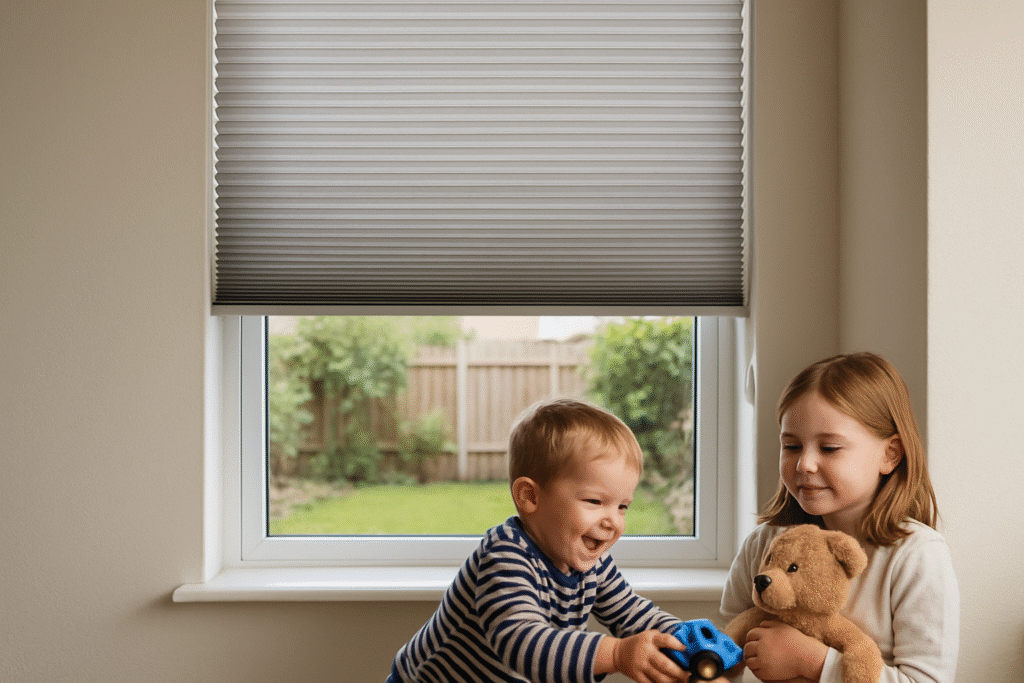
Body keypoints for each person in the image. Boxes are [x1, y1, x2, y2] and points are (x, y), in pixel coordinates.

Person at [388, 397, 723, 683]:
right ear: (530, 497)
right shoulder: (505, 557)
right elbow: (523, 644)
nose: (613, 521)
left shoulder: (591, 562)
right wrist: (618, 652)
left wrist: (682, 638)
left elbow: (631, 613)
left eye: (622, 506)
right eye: (595, 502)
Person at [721, 352, 959, 683]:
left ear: (889, 454)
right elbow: (728, 645)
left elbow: (928, 680)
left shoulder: (917, 556)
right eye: (791, 446)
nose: (804, 464)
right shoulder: (765, 543)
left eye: (830, 448)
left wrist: (815, 662)